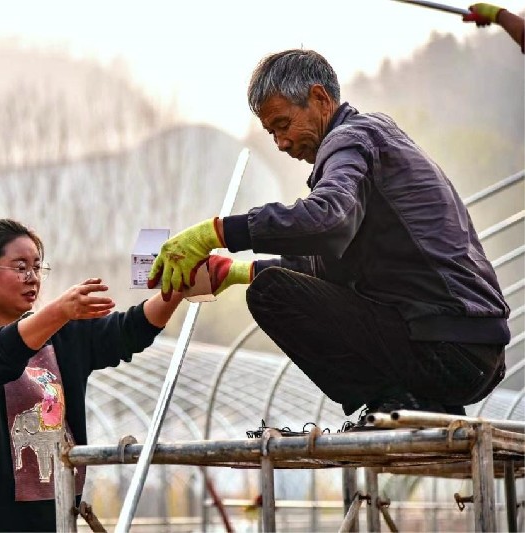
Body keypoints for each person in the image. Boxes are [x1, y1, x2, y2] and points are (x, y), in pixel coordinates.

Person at [148, 49, 510, 427]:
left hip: (445, 345)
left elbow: (326, 219)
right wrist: (237, 271)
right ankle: (424, 404)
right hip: (472, 351)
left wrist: (217, 232)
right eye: (272, 133)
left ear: (320, 99)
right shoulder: (374, 141)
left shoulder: (350, 140)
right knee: (271, 281)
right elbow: (325, 265)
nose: (282, 143)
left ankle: (394, 399)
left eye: (283, 124)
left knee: (271, 294)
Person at [0, 218, 183, 532]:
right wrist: (58, 312)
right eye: (19, 267)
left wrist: (178, 290)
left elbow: (128, 330)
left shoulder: (61, 337)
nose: (32, 278)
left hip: (50, 521)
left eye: (36, 267)